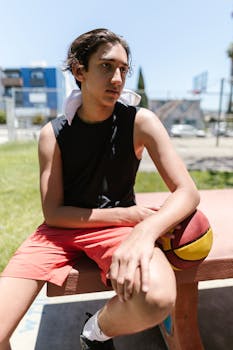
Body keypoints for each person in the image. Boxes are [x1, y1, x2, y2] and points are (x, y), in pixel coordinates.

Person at [0, 28, 200, 350]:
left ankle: (95, 331)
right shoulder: (52, 135)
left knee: (158, 298)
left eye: (123, 69)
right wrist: (128, 214)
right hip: (60, 231)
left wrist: (144, 231)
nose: (118, 78)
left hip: (117, 230)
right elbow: (53, 214)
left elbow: (187, 192)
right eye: (107, 66)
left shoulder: (140, 122)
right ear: (80, 71)